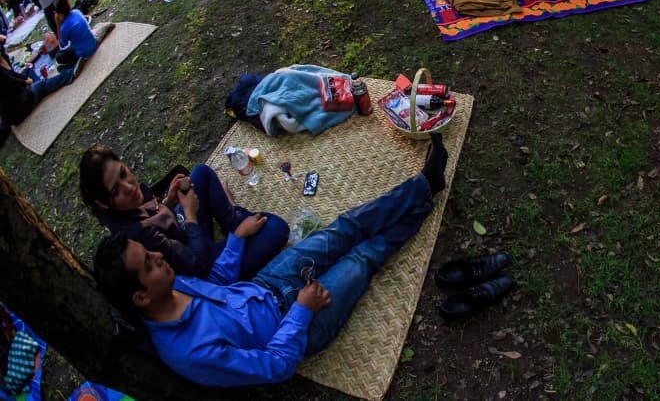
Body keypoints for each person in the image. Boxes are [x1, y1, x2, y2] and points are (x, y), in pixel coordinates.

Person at [91, 137, 449, 386]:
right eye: (149, 263)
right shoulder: (190, 351)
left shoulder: (172, 284)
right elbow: (275, 365)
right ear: (140, 296)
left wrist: (236, 238)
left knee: (343, 228)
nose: (158, 256)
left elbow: (217, 282)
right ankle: (422, 203)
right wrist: (302, 310)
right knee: (362, 257)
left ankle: (423, 185)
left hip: (265, 285)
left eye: (150, 253)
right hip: (293, 327)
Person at [81, 144, 289, 280]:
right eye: (116, 191)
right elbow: (197, 265)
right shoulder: (137, 235)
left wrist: (169, 202)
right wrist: (190, 214)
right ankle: (238, 241)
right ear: (104, 203)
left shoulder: (127, 203)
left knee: (201, 172)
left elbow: (154, 217)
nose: (129, 187)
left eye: (123, 173)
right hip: (204, 264)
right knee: (276, 227)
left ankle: (232, 219)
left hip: (185, 233)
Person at [0, 42, 74, 127]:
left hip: (20, 94)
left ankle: (38, 80)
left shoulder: (3, 60)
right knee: (41, 84)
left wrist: (26, 79)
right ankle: (70, 74)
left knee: (27, 70)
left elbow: (13, 74)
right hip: (21, 106)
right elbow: (11, 82)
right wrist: (26, 82)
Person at [52, 0, 97, 72]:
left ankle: (76, 64)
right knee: (74, 44)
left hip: (83, 53)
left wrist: (58, 25)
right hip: (93, 42)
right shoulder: (77, 12)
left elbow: (62, 45)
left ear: (61, 15)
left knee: (59, 57)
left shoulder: (64, 27)